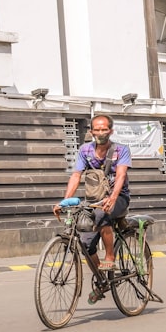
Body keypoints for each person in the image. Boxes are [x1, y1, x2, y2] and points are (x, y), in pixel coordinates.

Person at [55, 114, 132, 302]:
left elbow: (121, 175)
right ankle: (102, 280)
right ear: (91, 132)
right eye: (96, 129)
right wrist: (65, 202)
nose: (100, 133)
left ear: (111, 131)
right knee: (86, 242)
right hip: (93, 199)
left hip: (119, 198)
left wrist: (113, 198)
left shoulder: (121, 150)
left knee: (102, 213)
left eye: (104, 129)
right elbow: (76, 176)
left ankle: (110, 256)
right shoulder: (85, 150)